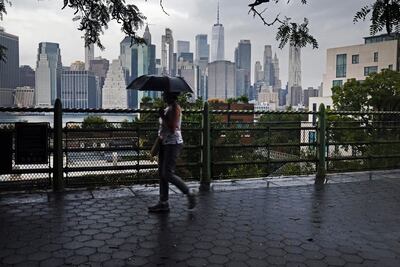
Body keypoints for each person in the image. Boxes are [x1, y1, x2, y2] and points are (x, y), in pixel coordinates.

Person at [148, 92, 196, 212]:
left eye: (165, 94)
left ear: (171, 95)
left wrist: (162, 116)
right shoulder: (168, 108)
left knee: (167, 173)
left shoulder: (175, 107)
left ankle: (189, 193)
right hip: (164, 143)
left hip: (173, 144)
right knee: (161, 173)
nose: (163, 95)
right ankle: (163, 202)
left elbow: (173, 127)